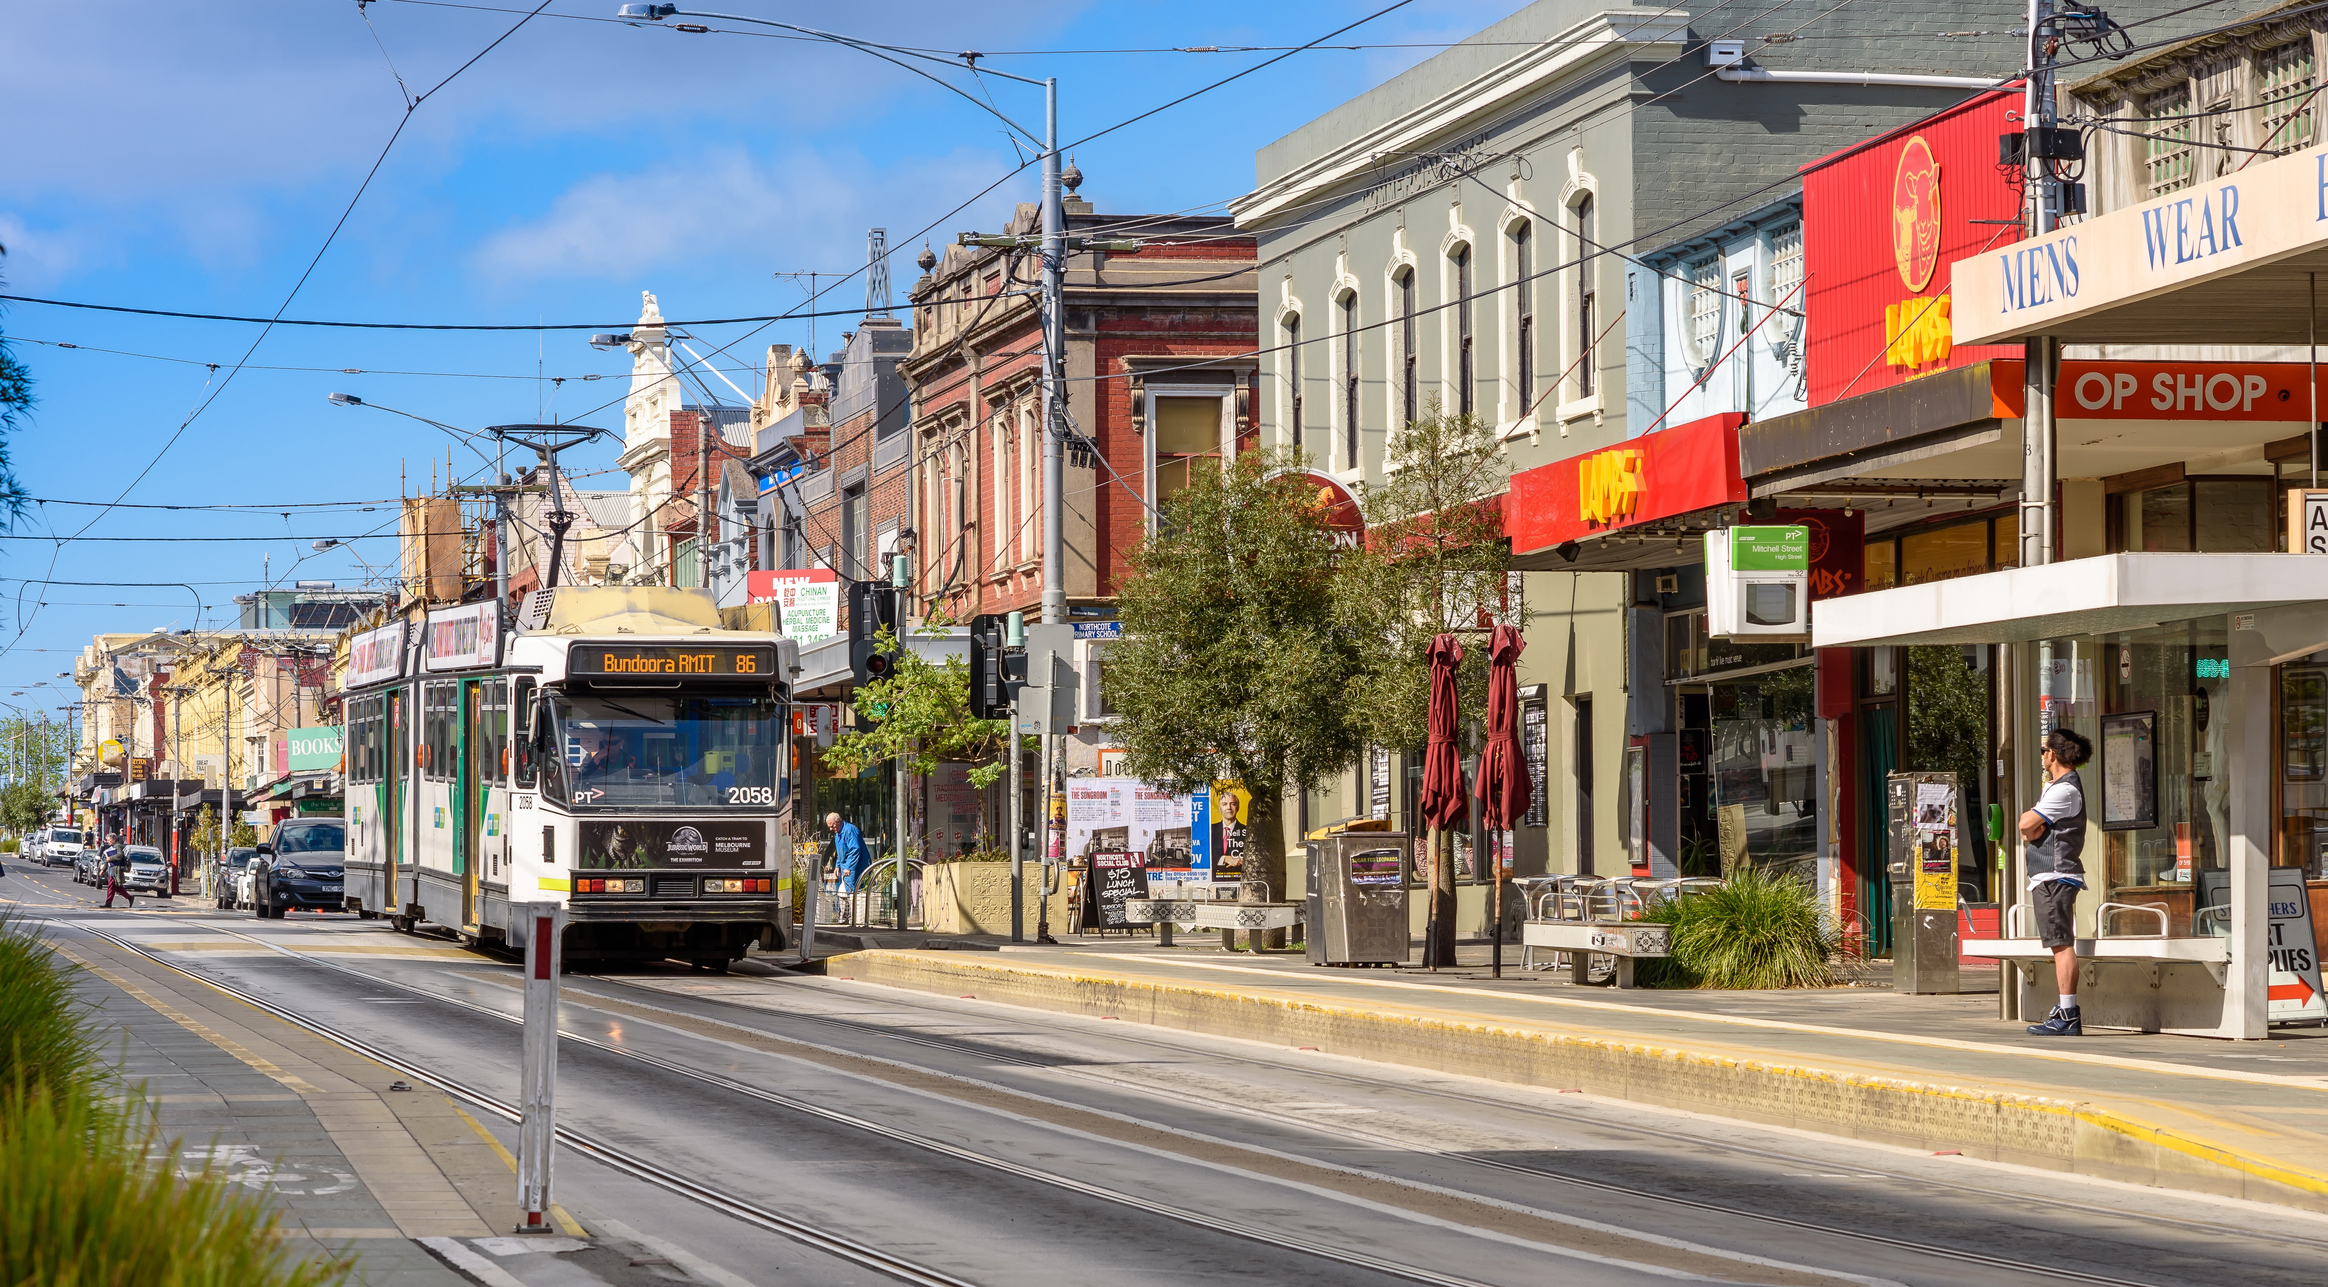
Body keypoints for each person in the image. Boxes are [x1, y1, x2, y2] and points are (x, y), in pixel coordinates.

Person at [2021, 727, 2095, 1037]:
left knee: (2062, 945)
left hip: (2055, 875)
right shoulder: (2054, 787)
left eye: (2043, 751)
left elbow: (2026, 823)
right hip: (2051, 875)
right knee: (2058, 943)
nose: (2041, 756)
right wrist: (2032, 829)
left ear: (2052, 754)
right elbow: (2030, 829)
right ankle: (2065, 1010)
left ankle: (2068, 1013)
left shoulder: (2064, 790)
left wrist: (2031, 829)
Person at [827, 812, 870, 926]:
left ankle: (852, 918)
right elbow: (840, 852)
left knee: (851, 892)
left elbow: (855, 850)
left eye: (833, 826)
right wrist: (837, 866)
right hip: (846, 867)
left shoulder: (849, 830)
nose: (831, 829)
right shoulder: (839, 833)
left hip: (854, 867)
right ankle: (846, 916)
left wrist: (849, 867)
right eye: (830, 827)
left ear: (839, 822)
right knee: (843, 892)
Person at [101, 843, 135, 910]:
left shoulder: (117, 846)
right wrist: (103, 870)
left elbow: (120, 855)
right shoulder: (112, 847)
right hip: (111, 869)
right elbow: (107, 862)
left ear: (113, 840)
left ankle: (108, 903)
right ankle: (129, 897)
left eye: (109, 840)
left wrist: (110, 858)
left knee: (111, 887)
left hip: (115, 870)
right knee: (117, 887)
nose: (108, 841)